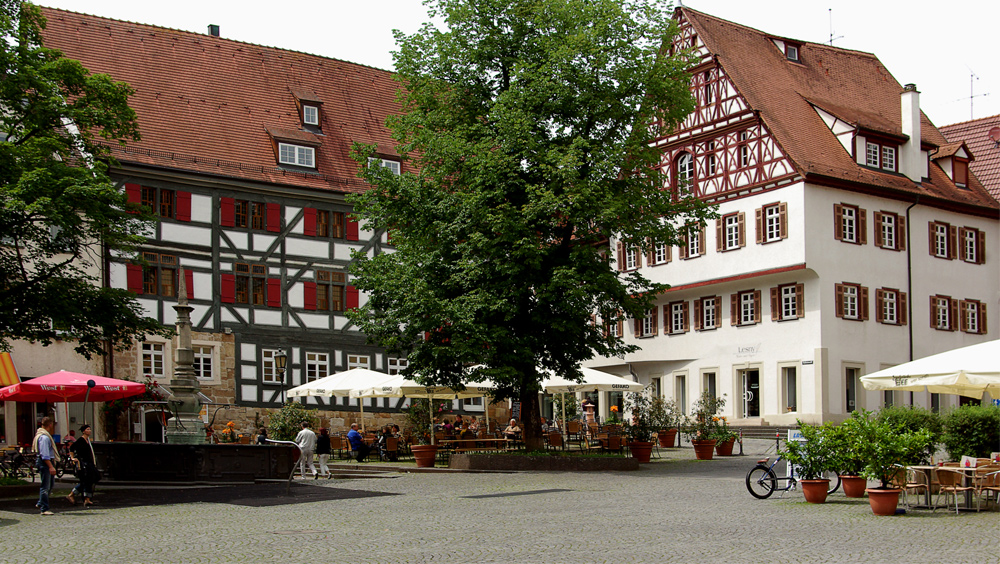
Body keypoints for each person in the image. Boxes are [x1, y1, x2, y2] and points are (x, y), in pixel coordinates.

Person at [32, 417, 59, 515]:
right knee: (45, 486)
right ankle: (44, 508)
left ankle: (40, 502)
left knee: (50, 484)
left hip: (45, 461)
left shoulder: (42, 435)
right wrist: (51, 466)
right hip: (45, 462)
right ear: (50, 425)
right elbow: (44, 454)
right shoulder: (44, 437)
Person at [67, 424, 97, 507]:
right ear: (83, 431)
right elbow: (72, 448)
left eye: (90, 429)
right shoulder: (80, 440)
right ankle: (74, 494)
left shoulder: (88, 441)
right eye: (87, 429)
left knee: (91, 479)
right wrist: (73, 458)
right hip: (84, 463)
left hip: (90, 463)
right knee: (86, 480)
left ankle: (87, 498)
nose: (89, 431)